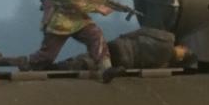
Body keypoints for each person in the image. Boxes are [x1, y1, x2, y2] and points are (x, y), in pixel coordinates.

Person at [27, 0, 134, 82]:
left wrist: (120, 6)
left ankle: (105, 69)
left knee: (95, 35)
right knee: (45, 57)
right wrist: (98, 9)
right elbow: (73, 1)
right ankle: (12, 61)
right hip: (61, 20)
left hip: (78, 19)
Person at [50, 28, 197, 72]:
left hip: (121, 46)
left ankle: (61, 67)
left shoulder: (168, 38)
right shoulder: (163, 65)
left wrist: (122, 38)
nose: (183, 47)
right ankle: (64, 68)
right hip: (126, 62)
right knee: (92, 64)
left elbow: (141, 32)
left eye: (185, 50)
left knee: (89, 58)